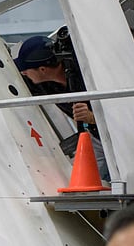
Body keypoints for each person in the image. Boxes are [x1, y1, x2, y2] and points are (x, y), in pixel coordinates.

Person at [14, 35, 111, 180]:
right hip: (93, 138)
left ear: (42, 69)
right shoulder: (41, 83)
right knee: (89, 179)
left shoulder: (87, 75)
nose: (24, 73)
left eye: (26, 70)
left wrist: (92, 118)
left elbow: (122, 113)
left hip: (114, 137)